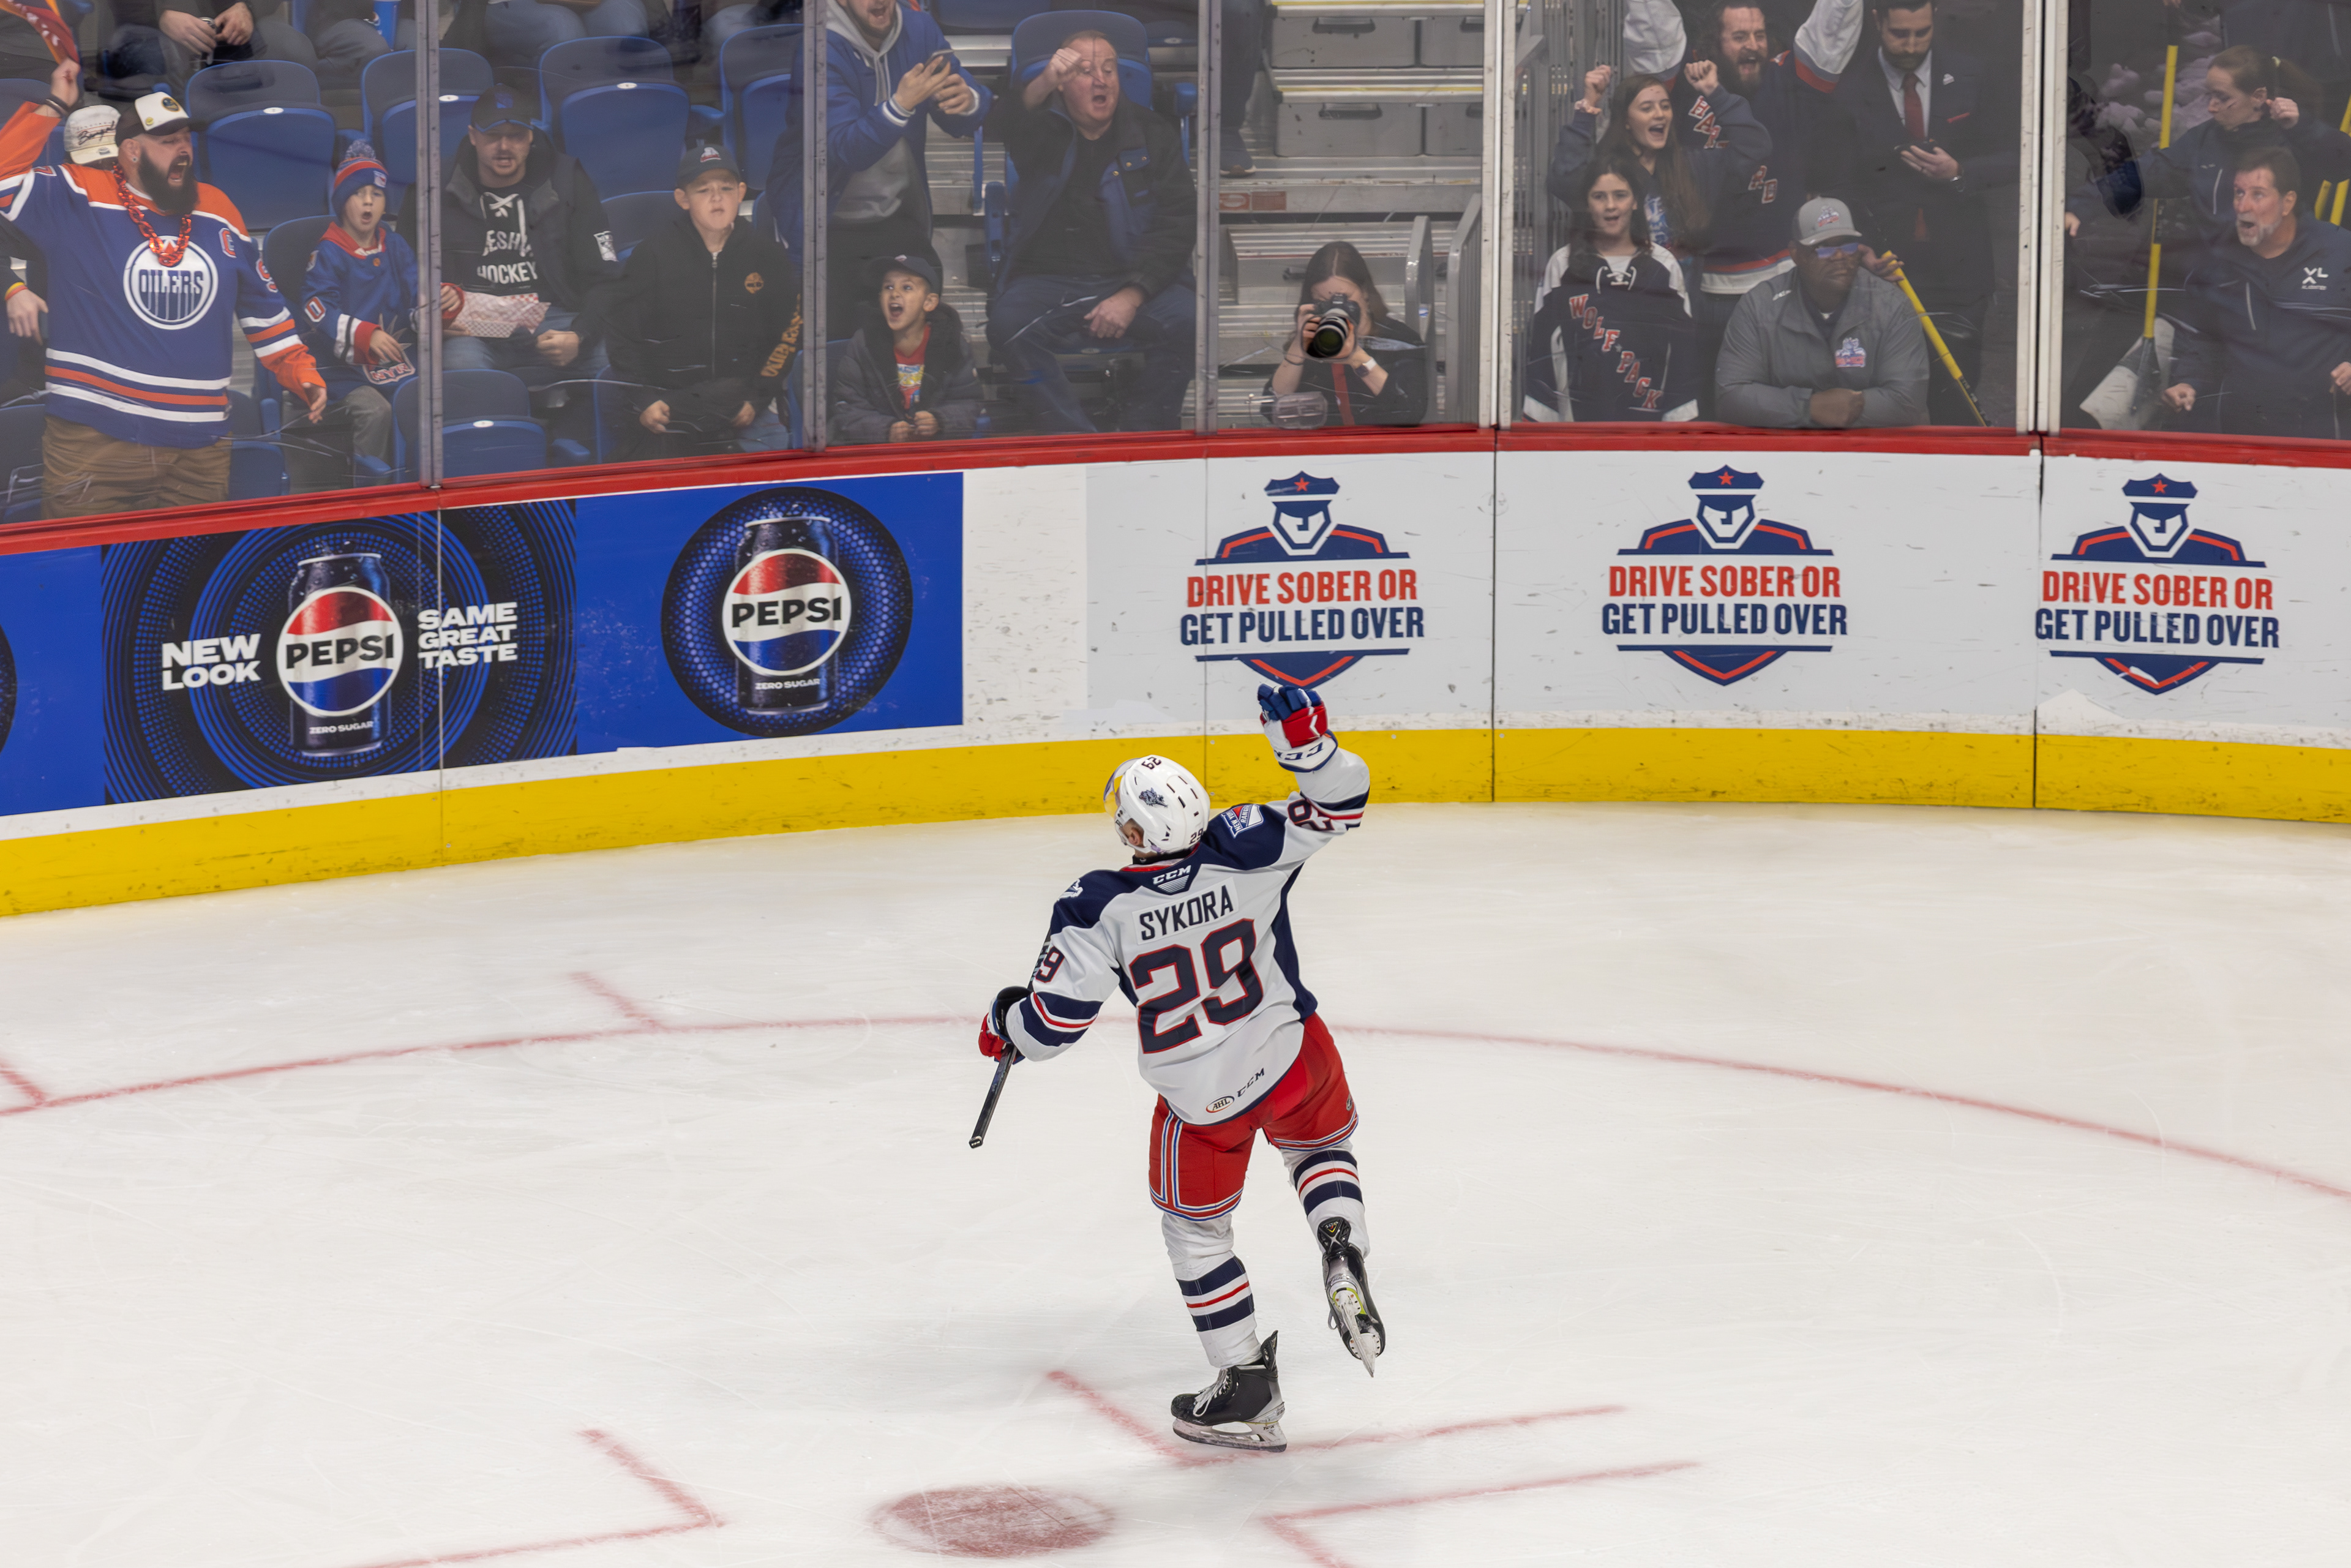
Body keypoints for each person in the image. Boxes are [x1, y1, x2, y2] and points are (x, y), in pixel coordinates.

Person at [974, 685, 1384, 1454]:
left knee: (1197, 1231)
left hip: (1203, 1097)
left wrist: (1004, 1024)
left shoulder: (1098, 905)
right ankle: (1340, 1245)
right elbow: (1342, 805)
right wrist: (1308, 750)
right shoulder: (1250, 843)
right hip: (1294, 1054)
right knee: (1319, 1149)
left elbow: (1051, 1027)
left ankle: (1245, 1384)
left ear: (1134, 827)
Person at [0, 71, 326, 517]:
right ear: (131, 150)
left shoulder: (218, 208)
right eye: (167, 141)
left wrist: (300, 371)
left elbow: (263, 307)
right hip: (96, 444)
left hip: (199, 450)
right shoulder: (77, 195)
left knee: (186, 579)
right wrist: (55, 105)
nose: (184, 151)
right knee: (91, 576)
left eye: (186, 140)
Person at [1609, 0, 1862, 412]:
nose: (1753, 46)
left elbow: (1835, 26)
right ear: (1714, 43)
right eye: (1740, 37)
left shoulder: (1789, 77)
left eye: (1760, 36)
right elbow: (1650, 26)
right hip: (1699, 289)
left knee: (1774, 409)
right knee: (1702, 407)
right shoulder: (1681, 80)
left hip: (1778, 285)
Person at [985, 26, 1198, 433]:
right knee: (1007, 327)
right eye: (1085, 72)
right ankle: (1075, 439)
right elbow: (1003, 124)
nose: (1101, 80)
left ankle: (1141, 432)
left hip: (1130, 280)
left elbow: (1179, 223)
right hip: (1051, 283)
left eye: (1110, 69)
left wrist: (1132, 295)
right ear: (1064, 87)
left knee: (1193, 321)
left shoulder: (1154, 133)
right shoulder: (1041, 131)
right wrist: (1045, 80)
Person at [1820, 0, 2011, 423]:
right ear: (1877, 22)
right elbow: (1837, 184)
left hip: (1959, 269)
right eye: (1899, 34)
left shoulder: (1972, 74)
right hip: (1885, 268)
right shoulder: (1849, 90)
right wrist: (1860, 248)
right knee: (1881, 401)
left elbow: (2018, 156)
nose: (1911, 45)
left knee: (1957, 398)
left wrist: (1961, 171)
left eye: (1921, 33)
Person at [766, 0, 989, 340]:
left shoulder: (921, 30)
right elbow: (845, 150)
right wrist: (900, 105)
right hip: (825, 220)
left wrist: (968, 99)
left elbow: (964, 109)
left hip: (893, 214)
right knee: (833, 338)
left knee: (922, 312)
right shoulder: (817, 48)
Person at [404, 86, 622, 388]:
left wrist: (579, 335)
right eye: (493, 136)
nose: (504, 146)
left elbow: (606, 277)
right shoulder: (433, 187)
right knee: (464, 371)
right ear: (473, 136)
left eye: (516, 135)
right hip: (472, 327)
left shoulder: (566, 180)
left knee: (612, 360)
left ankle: (570, 432)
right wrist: (428, 315)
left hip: (550, 317)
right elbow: (403, 269)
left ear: (531, 136)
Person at [606, 143, 804, 459]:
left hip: (742, 406)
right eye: (703, 190)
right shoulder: (653, 255)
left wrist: (757, 397)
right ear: (682, 199)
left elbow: (789, 333)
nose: (717, 198)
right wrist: (644, 401)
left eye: (726, 188)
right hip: (668, 410)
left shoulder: (766, 255)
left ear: (741, 193)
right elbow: (622, 336)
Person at [2066, 46, 2351, 262]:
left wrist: (2303, 127)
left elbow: (2342, 164)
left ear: (2258, 97)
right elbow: (2146, 173)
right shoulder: (2204, 140)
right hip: (2220, 286)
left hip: (2283, 281)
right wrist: (2082, 205)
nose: (2211, 107)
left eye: (2223, 97)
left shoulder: (2294, 137)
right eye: (2209, 95)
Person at [297, 143, 460, 487]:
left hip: (401, 357)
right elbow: (318, 310)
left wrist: (439, 304)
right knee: (377, 411)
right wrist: (366, 334)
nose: (369, 201)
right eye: (358, 193)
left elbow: (418, 296)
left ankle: (426, 482)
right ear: (342, 201)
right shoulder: (327, 252)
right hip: (346, 368)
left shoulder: (395, 245)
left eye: (377, 194)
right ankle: (369, 492)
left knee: (434, 399)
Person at [2163, 147, 2351, 437]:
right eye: (2239, 193)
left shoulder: (2340, 252)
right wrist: (2188, 383)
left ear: (2287, 202)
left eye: (2257, 194)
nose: (2242, 206)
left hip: (2324, 438)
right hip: (2242, 433)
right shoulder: (2218, 261)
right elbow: (2199, 337)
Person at [1716, 195, 1929, 425]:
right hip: (1791, 450)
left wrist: (1843, 409)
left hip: (1873, 451)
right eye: (1824, 249)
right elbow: (1731, 398)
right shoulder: (1760, 305)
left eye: (1847, 246)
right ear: (1796, 254)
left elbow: (1907, 402)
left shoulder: (1892, 305)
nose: (1839, 257)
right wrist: (1808, 407)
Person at [1523, 160, 1699, 422]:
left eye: (1620, 195)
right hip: (1578, 434)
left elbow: (1682, 359)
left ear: (1636, 202)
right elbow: (1541, 355)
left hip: (1650, 435)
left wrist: (1678, 432)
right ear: (1587, 204)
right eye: (1599, 197)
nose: (1610, 206)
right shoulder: (1563, 265)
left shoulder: (1664, 267)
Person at [1549, 62, 1769, 264]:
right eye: (1647, 109)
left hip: (1683, 300)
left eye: (1665, 106)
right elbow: (1564, 181)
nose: (1660, 115)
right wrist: (1588, 107)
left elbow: (1754, 147)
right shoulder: (1610, 173)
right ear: (1626, 121)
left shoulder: (1691, 165)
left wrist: (1715, 93)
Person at [1260, 240, 1426, 427]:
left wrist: (1357, 358)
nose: (1335, 308)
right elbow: (1272, 408)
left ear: (1365, 292)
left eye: (1345, 298)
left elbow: (1410, 412)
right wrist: (1299, 344)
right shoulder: (1313, 344)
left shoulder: (1399, 340)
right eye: (1323, 301)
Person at [830, 252, 981, 443]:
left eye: (907, 287)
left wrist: (940, 421)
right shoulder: (862, 345)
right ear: (880, 298)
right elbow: (846, 408)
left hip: (935, 456)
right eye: (888, 287)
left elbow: (969, 403)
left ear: (929, 302)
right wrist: (886, 430)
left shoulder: (953, 345)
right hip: (880, 456)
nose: (895, 294)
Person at [96, 0, 316, 97]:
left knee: (297, 51)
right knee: (152, 63)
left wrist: (247, 8)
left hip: (233, 31)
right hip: (147, 30)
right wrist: (160, 17)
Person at [484, 0, 664, 71]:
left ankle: (632, 106)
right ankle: (566, 116)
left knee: (624, 20)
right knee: (563, 27)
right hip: (509, 6)